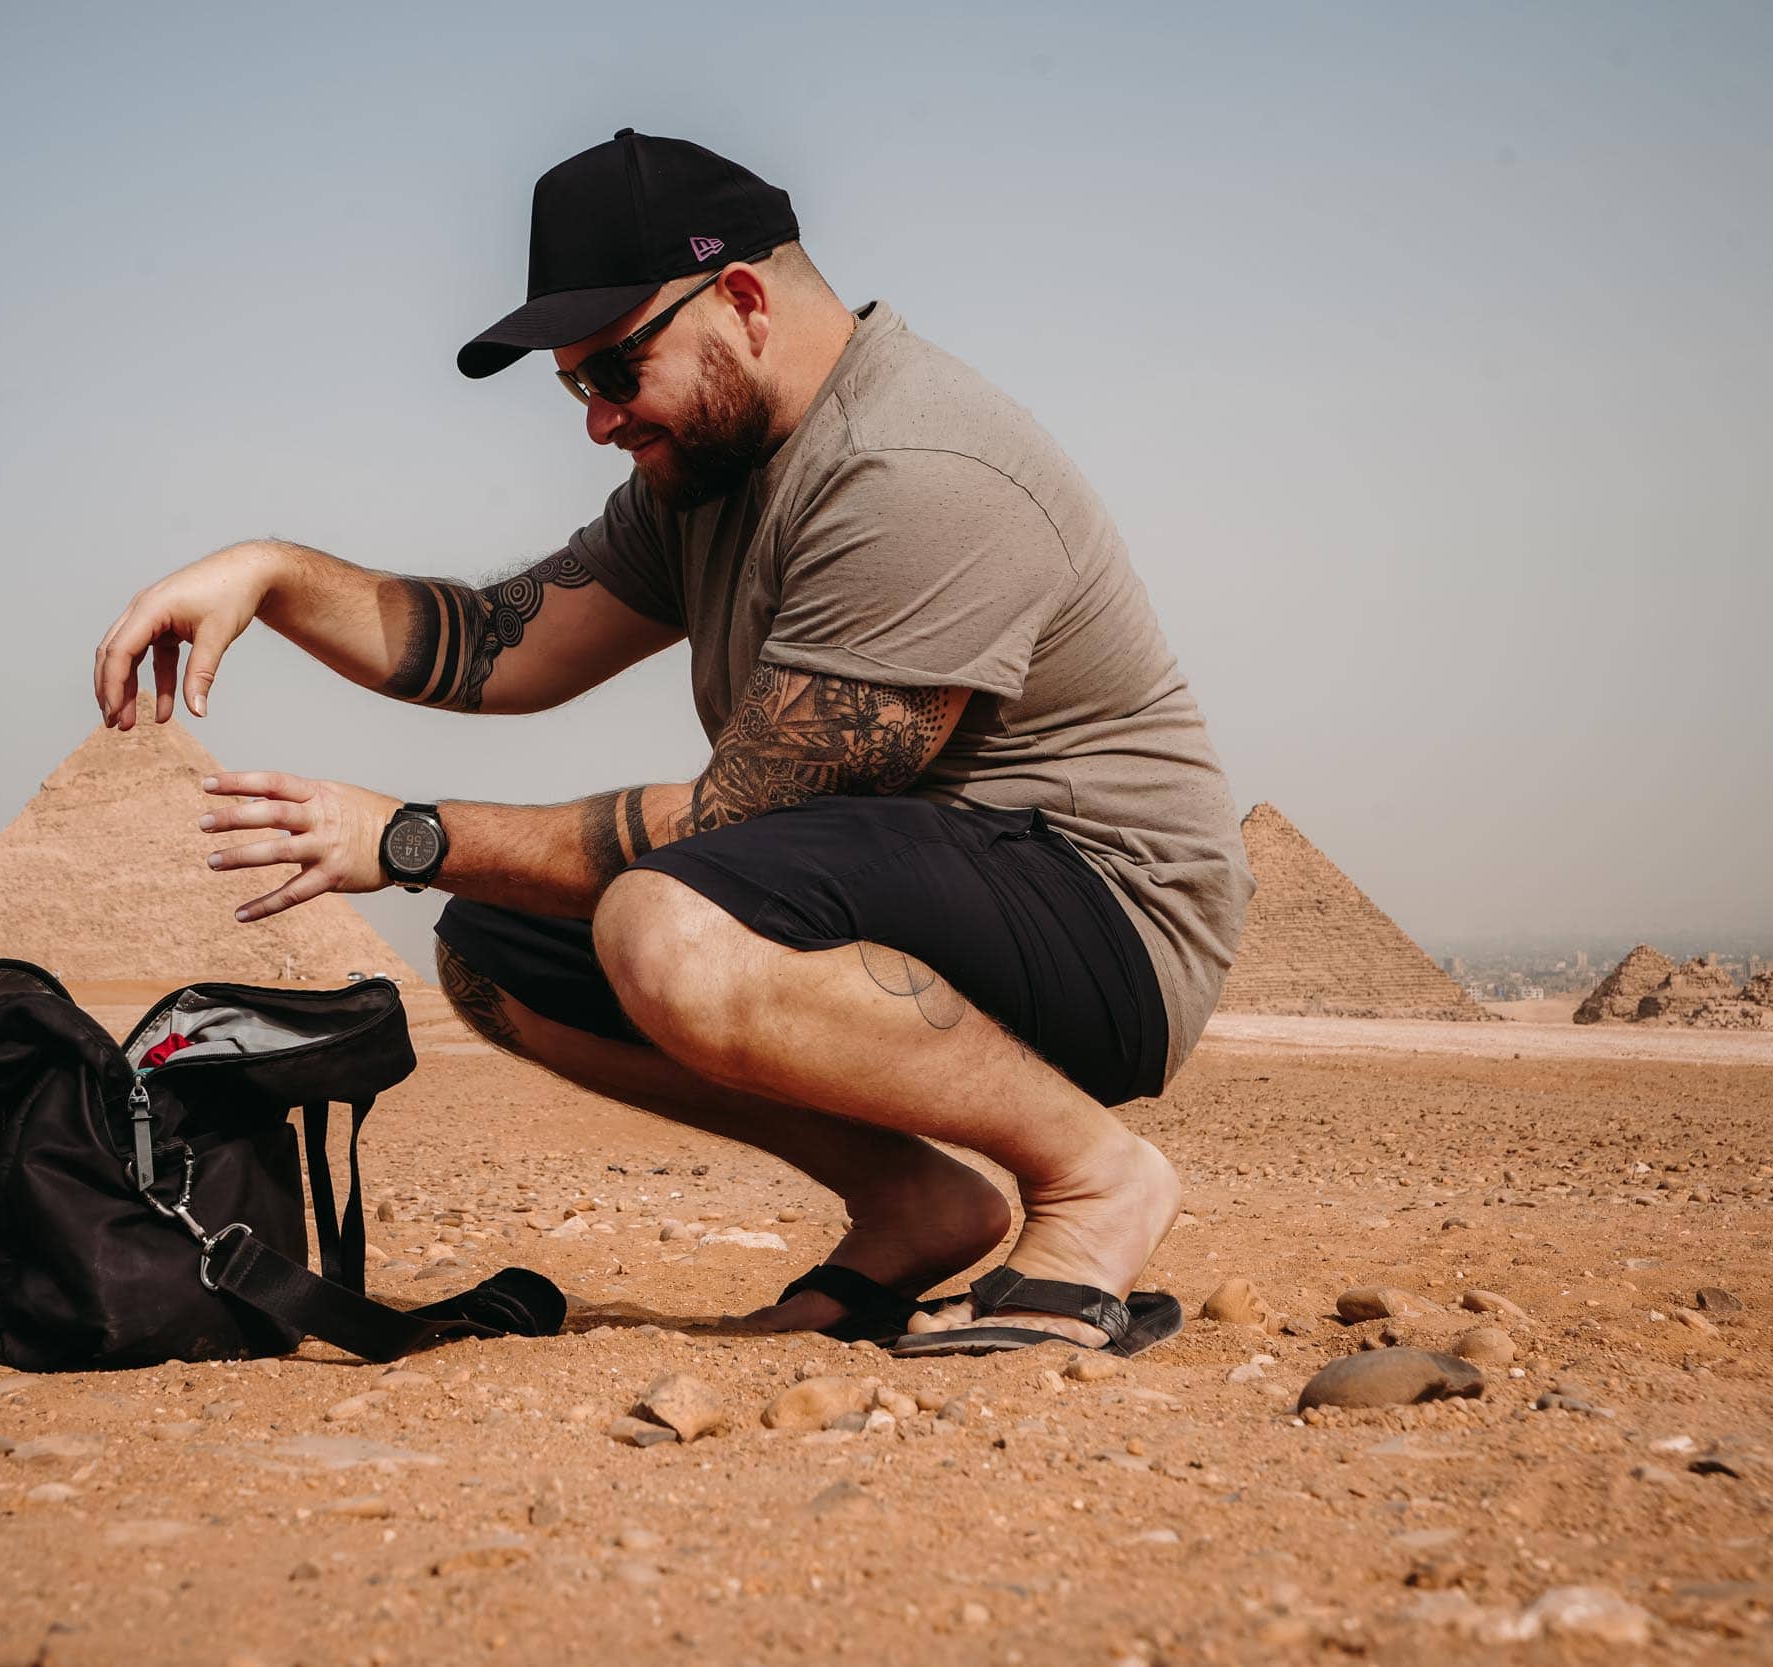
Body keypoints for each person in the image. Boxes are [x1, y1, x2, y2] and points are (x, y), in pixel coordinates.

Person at [92, 130, 1252, 1355]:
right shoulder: (706, 479)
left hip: (1105, 917)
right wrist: (269, 573)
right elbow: (492, 642)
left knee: (667, 922)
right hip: (923, 874)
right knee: (495, 948)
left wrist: (409, 834)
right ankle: (912, 1201)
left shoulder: (916, 467)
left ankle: (1092, 1182)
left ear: (742, 300)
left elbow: (735, 820)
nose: (595, 421)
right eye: (573, 388)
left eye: (614, 371)